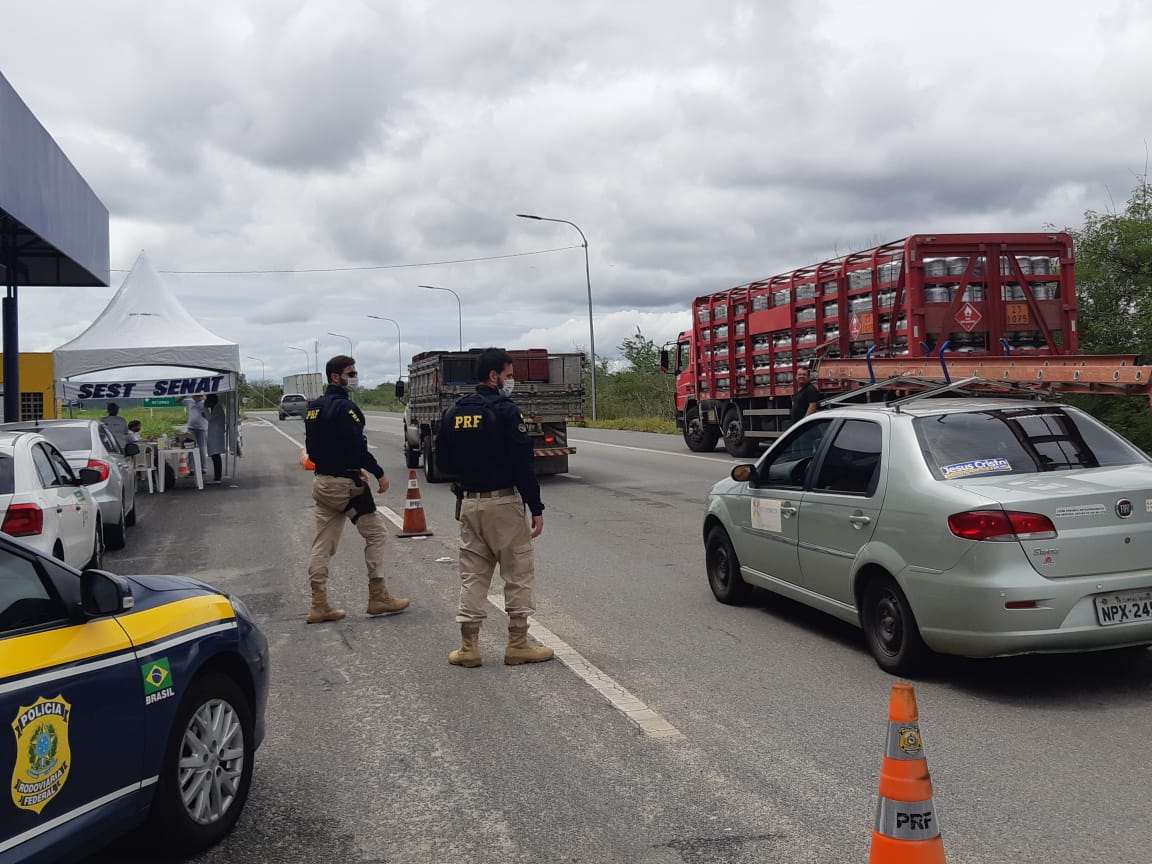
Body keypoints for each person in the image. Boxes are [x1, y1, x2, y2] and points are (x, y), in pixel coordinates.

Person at [436, 347, 553, 668]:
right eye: (510, 375)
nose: (511, 381)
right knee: (517, 572)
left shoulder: (453, 412)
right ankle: (518, 644)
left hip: (470, 505)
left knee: (473, 575)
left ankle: (469, 648)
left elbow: (444, 462)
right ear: (494, 376)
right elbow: (523, 465)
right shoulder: (506, 411)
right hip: (503, 503)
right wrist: (536, 507)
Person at [303, 355, 409, 623]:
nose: (355, 377)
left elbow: (317, 448)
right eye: (351, 373)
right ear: (335, 377)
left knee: (323, 543)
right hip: (347, 487)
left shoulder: (314, 408)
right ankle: (378, 595)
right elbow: (356, 447)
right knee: (376, 534)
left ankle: (319, 603)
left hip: (323, 482)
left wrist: (347, 465)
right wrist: (379, 473)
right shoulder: (345, 408)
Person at [184, 394, 210, 476]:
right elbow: (178, 401)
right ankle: (191, 468)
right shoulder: (190, 402)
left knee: (201, 448)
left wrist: (203, 396)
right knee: (190, 447)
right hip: (191, 427)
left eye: (197, 396)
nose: (195, 397)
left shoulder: (204, 403)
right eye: (194, 396)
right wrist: (185, 394)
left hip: (202, 428)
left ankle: (203, 467)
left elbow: (208, 412)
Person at [205, 393, 226, 485]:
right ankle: (217, 477)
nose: (206, 402)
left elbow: (209, 418)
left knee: (215, 455)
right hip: (215, 434)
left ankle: (217, 478)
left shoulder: (217, 408)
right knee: (215, 455)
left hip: (216, 435)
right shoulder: (216, 407)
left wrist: (204, 408)